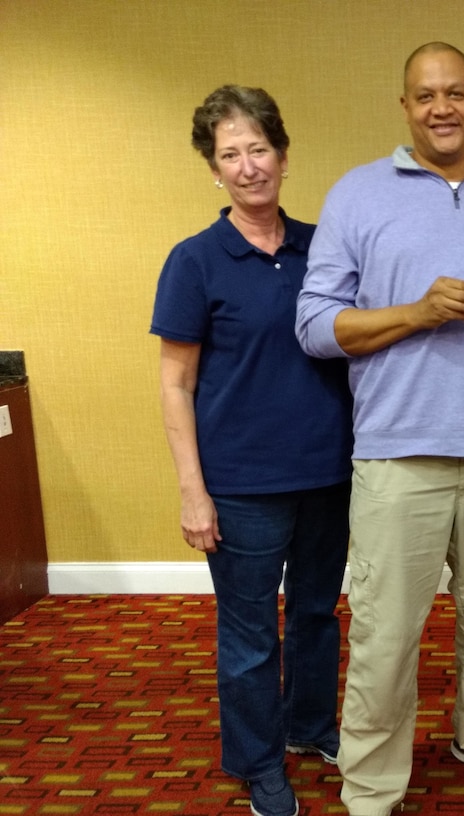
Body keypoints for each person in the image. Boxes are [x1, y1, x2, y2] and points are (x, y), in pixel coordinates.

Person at [295, 42, 464, 816]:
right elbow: (314, 325)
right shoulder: (357, 195)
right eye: (424, 96)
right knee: (385, 635)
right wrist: (415, 312)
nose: (441, 107)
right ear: (404, 107)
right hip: (397, 456)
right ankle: (372, 786)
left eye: (455, 93)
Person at [151, 85, 354, 816]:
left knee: (316, 614)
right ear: (213, 169)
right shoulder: (196, 260)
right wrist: (191, 491)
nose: (247, 166)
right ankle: (259, 760)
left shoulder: (323, 248)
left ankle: (309, 728)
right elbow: (176, 384)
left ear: (284, 156)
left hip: (329, 474)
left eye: (258, 149)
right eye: (229, 154)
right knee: (247, 638)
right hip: (240, 485)